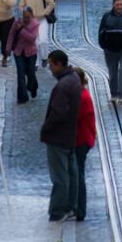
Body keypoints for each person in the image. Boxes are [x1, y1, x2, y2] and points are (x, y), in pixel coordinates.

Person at [40, 50, 82, 222]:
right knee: (71, 173)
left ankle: (58, 210)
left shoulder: (63, 85)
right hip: (70, 135)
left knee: (60, 176)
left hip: (58, 137)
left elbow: (58, 113)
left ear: (59, 64)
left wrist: (45, 129)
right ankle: (71, 206)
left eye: (51, 64)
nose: (49, 68)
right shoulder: (74, 80)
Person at [73, 67, 96, 222]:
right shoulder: (79, 94)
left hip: (81, 140)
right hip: (79, 138)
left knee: (78, 174)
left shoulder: (82, 97)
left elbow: (72, 117)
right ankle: (76, 207)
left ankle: (80, 209)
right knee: (76, 173)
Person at [19, 0, 56, 68]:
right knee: (34, 42)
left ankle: (44, 57)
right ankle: (35, 63)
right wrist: (24, 13)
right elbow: (21, 5)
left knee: (43, 40)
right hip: (31, 22)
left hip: (42, 20)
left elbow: (52, 3)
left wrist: (45, 12)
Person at [6, 6, 39, 104]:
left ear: (31, 16)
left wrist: (21, 30)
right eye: (24, 17)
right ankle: (22, 97)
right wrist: (8, 48)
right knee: (20, 74)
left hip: (31, 53)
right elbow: (11, 34)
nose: (26, 19)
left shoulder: (35, 24)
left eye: (28, 17)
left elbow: (32, 38)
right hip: (18, 52)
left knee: (30, 73)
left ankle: (33, 87)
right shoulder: (17, 22)